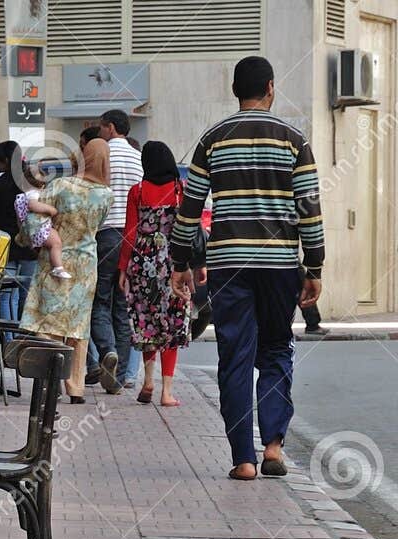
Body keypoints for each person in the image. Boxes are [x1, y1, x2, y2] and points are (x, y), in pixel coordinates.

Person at [172, 55, 324, 481]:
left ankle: (243, 459)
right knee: (275, 349)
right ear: (271, 87)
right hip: (279, 266)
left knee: (235, 357)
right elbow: (309, 209)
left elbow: (189, 208)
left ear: (235, 90)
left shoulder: (212, 139)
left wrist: (181, 261)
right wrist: (314, 266)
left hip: (229, 264)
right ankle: (273, 445)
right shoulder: (294, 140)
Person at [19, 138, 113, 401]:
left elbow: (34, 220)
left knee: (49, 322)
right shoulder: (107, 195)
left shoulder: (60, 186)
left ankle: (49, 382)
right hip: (86, 265)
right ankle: (76, 387)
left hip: (55, 260)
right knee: (78, 326)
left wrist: (27, 240)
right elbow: (98, 226)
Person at [117, 140, 189, 407]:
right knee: (173, 321)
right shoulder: (181, 190)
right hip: (173, 262)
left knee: (147, 321)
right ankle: (166, 392)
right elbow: (189, 231)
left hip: (142, 262)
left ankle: (148, 380)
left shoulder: (137, 191)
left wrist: (123, 268)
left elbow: (129, 232)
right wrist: (193, 266)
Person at [91, 109, 143, 394]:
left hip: (105, 234)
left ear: (110, 127)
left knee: (100, 301)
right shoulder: (138, 158)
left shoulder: (102, 154)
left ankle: (107, 350)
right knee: (123, 308)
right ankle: (119, 376)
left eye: (101, 128)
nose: (100, 133)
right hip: (132, 238)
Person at [0, 140, 37, 321]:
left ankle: (8, 336)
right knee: (26, 296)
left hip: (4, 247)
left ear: (6, 160)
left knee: (6, 297)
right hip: (30, 247)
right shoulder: (30, 183)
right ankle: (25, 333)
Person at [16, 187, 71, 279]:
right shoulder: (33, 193)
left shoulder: (23, 196)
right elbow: (32, 205)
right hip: (39, 227)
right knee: (56, 244)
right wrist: (51, 210)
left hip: (33, 229)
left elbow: (19, 220)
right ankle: (58, 267)